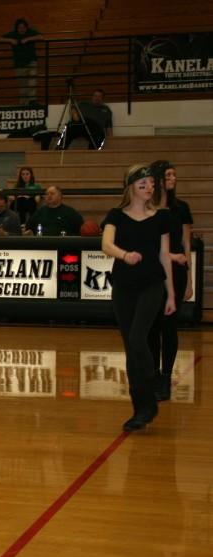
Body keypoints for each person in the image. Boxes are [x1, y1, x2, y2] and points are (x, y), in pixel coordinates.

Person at [101, 165, 175, 432]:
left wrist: (172, 295)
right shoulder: (116, 216)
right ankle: (141, 408)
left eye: (151, 184)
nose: (149, 188)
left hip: (152, 285)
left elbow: (164, 256)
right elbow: (106, 244)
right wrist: (124, 255)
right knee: (131, 348)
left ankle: (152, 382)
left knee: (137, 339)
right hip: (123, 287)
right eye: (142, 184)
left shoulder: (161, 218)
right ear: (130, 187)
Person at [147, 160, 193, 401]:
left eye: (175, 174)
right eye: (169, 174)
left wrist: (190, 281)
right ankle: (154, 374)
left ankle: (166, 376)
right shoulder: (148, 208)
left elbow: (186, 244)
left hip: (176, 272)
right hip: (154, 271)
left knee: (169, 326)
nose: (173, 178)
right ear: (159, 179)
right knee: (152, 326)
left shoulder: (182, 208)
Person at [0, 18, 44, 104]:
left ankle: (32, 101)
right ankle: (24, 103)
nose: (22, 29)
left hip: (31, 61)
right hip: (19, 64)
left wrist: (28, 39)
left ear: (26, 27)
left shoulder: (30, 32)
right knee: (23, 85)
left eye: (23, 27)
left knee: (32, 81)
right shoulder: (13, 34)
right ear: (16, 28)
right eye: (20, 27)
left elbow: (41, 37)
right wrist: (10, 40)